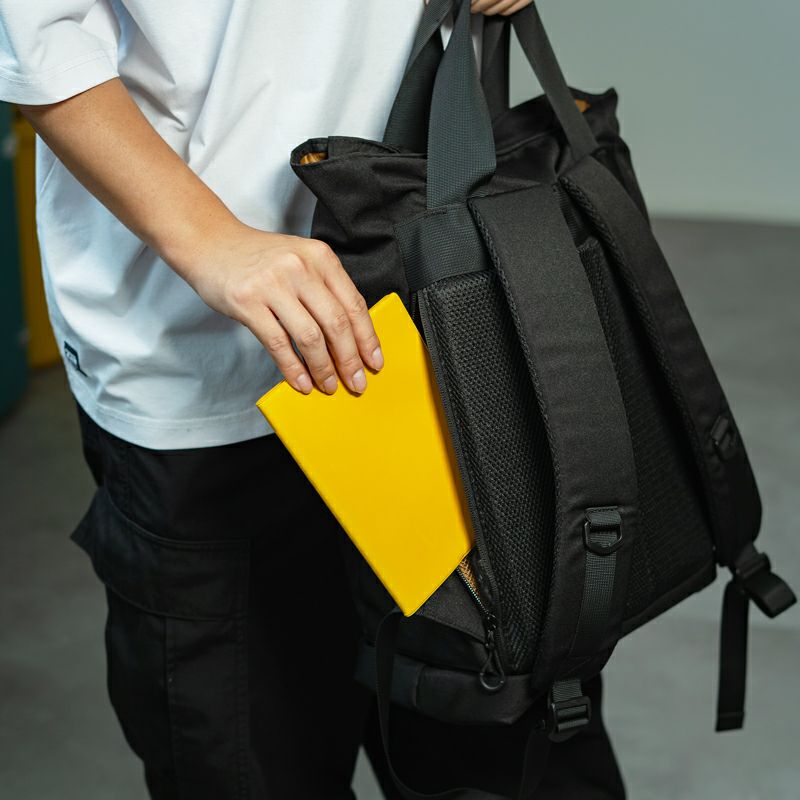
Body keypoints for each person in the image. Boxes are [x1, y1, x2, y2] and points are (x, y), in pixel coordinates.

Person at [0, 1, 626, 797]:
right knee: (249, 766)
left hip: (443, 315)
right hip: (204, 364)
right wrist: (210, 240)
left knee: (511, 758)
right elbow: (39, 37)